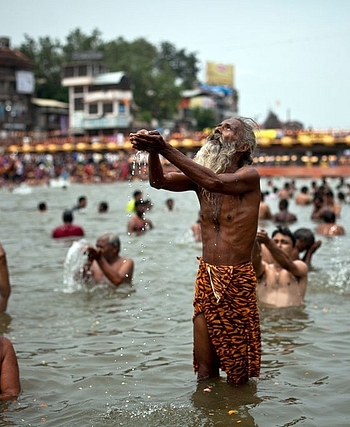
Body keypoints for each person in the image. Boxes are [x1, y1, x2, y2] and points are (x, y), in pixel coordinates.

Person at [130, 117, 261, 385]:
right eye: (218, 126)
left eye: (227, 128)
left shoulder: (248, 176)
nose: (217, 131)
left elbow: (216, 183)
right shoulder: (200, 178)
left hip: (236, 279)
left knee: (238, 378)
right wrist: (154, 152)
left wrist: (164, 147)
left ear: (243, 146)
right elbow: (158, 181)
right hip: (206, 277)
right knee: (204, 373)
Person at [252, 227, 309, 307]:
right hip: (266, 317)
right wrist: (255, 242)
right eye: (275, 242)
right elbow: (255, 264)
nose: (279, 245)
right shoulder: (265, 268)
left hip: (290, 318)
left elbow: (288, 265)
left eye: (284, 242)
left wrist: (269, 242)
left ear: (293, 248)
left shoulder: (300, 266)